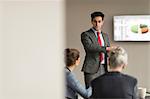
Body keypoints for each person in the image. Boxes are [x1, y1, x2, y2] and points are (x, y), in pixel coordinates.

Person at [81, 11, 114, 88]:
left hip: (104, 67)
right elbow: (89, 47)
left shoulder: (105, 36)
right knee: (91, 92)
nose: (97, 24)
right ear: (91, 22)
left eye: (99, 21)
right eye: (95, 21)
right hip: (91, 68)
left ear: (102, 22)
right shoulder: (86, 34)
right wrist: (106, 48)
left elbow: (107, 51)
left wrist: (114, 52)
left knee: (103, 91)